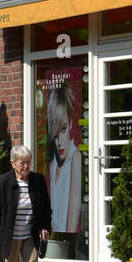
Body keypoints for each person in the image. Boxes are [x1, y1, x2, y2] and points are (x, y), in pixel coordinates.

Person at [44, 79, 84, 236]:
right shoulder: (52, 164)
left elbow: (72, 225)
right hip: (53, 237)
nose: (59, 141)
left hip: (65, 240)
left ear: (71, 124)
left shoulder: (75, 158)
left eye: (63, 129)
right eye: (55, 134)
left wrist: (63, 241)